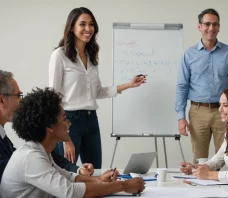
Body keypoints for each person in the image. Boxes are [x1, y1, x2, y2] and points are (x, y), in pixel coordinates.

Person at [0, 87, 145, 198]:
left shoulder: (39, 151)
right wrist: (123, 185)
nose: (69, 123)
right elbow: (70, 192)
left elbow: (67, 177)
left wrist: (98, 180)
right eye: (64, 118)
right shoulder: (31, 157)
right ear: (49, 126)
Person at [49, 7, 146, 168]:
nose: (88, 29)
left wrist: (129, 84)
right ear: (72, 27)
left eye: (91, 24)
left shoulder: (91, 56)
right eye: (82, 24)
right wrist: (64, 138)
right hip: (69, 122)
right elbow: (53, 97)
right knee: (67, 173)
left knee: (96, 172)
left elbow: (98, 91)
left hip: (91, 120)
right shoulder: (60, 55)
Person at [175, 8, 228, 163]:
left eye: (215, 24)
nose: (211, 28)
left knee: (227, 157)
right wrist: (181, 117)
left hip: (224, 112)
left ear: (219, 27)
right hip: (198, 112)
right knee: (200, 160)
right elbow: (182, 86)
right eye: (207, 24)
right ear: (199, 27)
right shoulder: (189, 54)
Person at [0, 70, 94, 182]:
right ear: (2, 100)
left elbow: (43, 160)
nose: (21, 102)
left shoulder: (3, 136)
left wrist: (78, 170)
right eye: (19, 96)